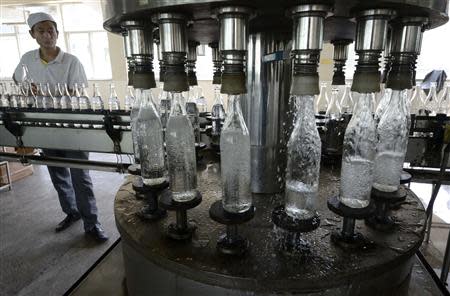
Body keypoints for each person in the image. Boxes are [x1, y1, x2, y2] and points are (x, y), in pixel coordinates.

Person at [13, 12, 108, 242]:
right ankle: (71, 212)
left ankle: (92, 224)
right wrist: (27, 90)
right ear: (32, 34)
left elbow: (77, 93)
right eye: (41, 31)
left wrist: (49, 93)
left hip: (70, 125)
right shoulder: (27, 59)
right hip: (43, 126)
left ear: (57, 32)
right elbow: (18, 81)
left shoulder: (71, 61)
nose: (47, 35)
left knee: (79, 175)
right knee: (57, 172)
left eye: (51, 30)